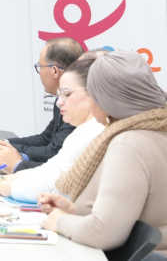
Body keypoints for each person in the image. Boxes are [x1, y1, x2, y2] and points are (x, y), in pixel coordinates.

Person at [39, 50, 167, 254]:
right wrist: (73, 211)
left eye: (93, 94)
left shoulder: (128, 144)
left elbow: (104, 232)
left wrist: (60, 221)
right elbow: (137, 211)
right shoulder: (155, 129)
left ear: (107, 99)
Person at [0, 57, 104, 202]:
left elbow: (54, 187)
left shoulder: (93, 132)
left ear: (93, 93)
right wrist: (4, 178)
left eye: (67, 94)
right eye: (60, 95)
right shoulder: (84, 130)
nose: (59, 102)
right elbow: (49, 169)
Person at [0, 37, 83, 172]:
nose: (60, 102)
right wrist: (4, 144)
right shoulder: (61, 100)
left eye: (40, 67)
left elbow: (54, 152)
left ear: (54, 71)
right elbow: (46, 138)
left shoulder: (77, 106)